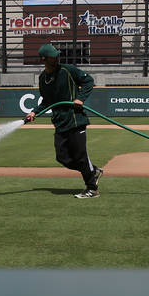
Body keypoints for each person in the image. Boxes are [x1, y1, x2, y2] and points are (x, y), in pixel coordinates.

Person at [24, 43, 103, 198]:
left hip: (76, 119)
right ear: (44, 59)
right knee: (62, 158)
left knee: (80, 155)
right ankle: (93, 171)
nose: (57, 57)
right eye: (53, 55)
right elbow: (47, 102)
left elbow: (88, 81)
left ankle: (92, 189)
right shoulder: (42, 78)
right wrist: (34, 112)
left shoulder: (68, 70)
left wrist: (80, 98)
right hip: (60, 122)